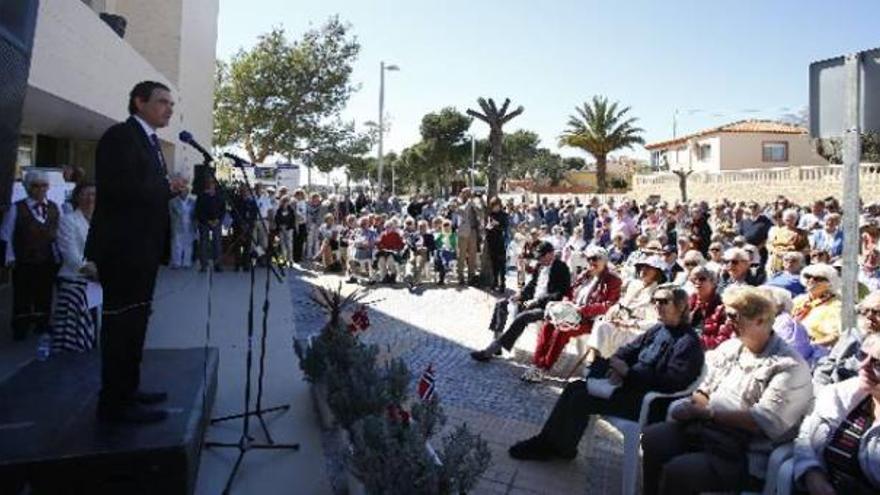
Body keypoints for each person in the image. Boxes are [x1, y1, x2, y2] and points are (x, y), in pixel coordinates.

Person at [641, 286, 814, 495]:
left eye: (733, 316)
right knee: (653, 438)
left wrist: (709, 414)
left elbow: (762, 422)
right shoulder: (731, 348)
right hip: (707, 432)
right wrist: (693, 406)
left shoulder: (789, 366)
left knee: (679, 472)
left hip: (743, 452)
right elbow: (704, 390)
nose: (726, 321)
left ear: (760, 320)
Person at [508, 285, 704, 461]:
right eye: (656, 301)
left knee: (581, 398)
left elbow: (671, 383)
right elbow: (627, 350)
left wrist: (628, 373)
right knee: (576, 387)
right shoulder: (658, 328)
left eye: (664, 301)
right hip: (628, 387)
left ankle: (556, 447)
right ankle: (552, 443)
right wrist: (617, 365)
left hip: (647, 403)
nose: (658, 305)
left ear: (680, 306)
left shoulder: (688, 343)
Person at [86, 80, 184, 423]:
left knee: (138, 323)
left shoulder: (151, 141)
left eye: (171, 104)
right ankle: (113, 404)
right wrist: (165, 185)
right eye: (162, 102)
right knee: (121, 327)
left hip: (143, 250)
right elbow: (121, 189)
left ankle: (129, 390)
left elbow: (146, 193)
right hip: (122, 250)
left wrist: (168, 191)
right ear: (139, 102)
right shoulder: (120, 138)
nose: (169, 109)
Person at [792, 333, 880, 495]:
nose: (863, 366)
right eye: (862, 356)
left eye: (878, 363)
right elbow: (806, 436)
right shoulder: (843, 393)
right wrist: (812, 473)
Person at [523, 246, 621, 382]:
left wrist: (582, 309)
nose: (592, 262)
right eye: (589, 259)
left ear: (604, 260)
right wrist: (567, 303)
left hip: (590, 320)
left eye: (596, 259)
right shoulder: (585, 274)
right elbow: (570, 292)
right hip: (572, 313)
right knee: (548, 325)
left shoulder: (612, 280)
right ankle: (536, 364)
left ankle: (545, 367)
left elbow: (607, 305)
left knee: (561, 330)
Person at [470, 241, 570, 362]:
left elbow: (559, 293)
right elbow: (532, 284)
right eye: (538, 257)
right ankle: (497, 343)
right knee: (501, 304)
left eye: (542, 257)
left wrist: (537, 301)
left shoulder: (562, 268)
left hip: (547, 306)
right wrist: (520, 294)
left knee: (522, 317)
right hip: (531, 301)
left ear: (551, 254)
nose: (539, 260)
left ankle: (490, 350)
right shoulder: (540, 266)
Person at [1, 170, 61, 341]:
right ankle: (21, 326)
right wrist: (9, 257)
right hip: (24, 260)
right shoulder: (17, 207)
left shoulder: (54, 207)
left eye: (44, 185)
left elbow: (59, 234)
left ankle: (42, 323)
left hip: (47, 259)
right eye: (36, 186)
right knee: (22, 295)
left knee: (45, 293)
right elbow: (7, 233)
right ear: (28, 187)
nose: (40, 189)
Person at [585, 254, 666, 359]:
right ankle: (596, 362)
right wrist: (613, 312)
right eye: (643, 267)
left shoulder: (659, 293)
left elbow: (657, 322)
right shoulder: (634, 284)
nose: (643, 270)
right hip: (621, 323)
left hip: (640, 330)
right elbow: (622, 304)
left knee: (622, 337)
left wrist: (631, 323)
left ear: (657, 273)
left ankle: (607, 363)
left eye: (649, 268)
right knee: (602, 325)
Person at [51, 182, 100, 353]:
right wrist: (94, 271)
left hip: (98, 282)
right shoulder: (68, 220)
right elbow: (71, 256)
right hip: (75, 279)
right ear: (77, 197)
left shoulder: (102, 221)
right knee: (75, 338)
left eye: (93, 194)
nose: (90, 199)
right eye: (85, 194)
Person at [813, 292, 880, 388]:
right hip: (829, 390)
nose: (868, 316)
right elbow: (829, 364)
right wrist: (820, 390)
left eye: (877, 312)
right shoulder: (852, 334)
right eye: (865, 311)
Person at [792, 263, 842, 359]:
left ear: (829, 283)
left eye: (818, 278)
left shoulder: (836, 305)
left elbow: (835, 337)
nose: (811, 281)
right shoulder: (799, 300)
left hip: (816, 353)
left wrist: (807, 347)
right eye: (808, 277)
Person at [194, 178, 225, 272]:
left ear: (215, 185)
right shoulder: (201, 196)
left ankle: (217, 264)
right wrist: (207, 221)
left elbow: (223, 210)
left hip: (216, 222)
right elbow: (199, 211)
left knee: (217, 243)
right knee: (204, 243)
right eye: (209, 183)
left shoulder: (219, 196)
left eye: (212, 183)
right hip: (204, 222)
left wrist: (218, 219)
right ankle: (204, 265)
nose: (210, 185)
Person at [485, 196, 509, 293]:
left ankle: (502, 283)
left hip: (500, 241)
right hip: (491, 242)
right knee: (494, 264)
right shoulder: (490, 215)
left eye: (497, 206)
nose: (496, 208)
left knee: (501, 264)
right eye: (494, 206)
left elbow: (504, 228)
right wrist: (488, 227)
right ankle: (495, 282)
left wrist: (497, 224)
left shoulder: (504, 215)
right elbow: (487, 227)